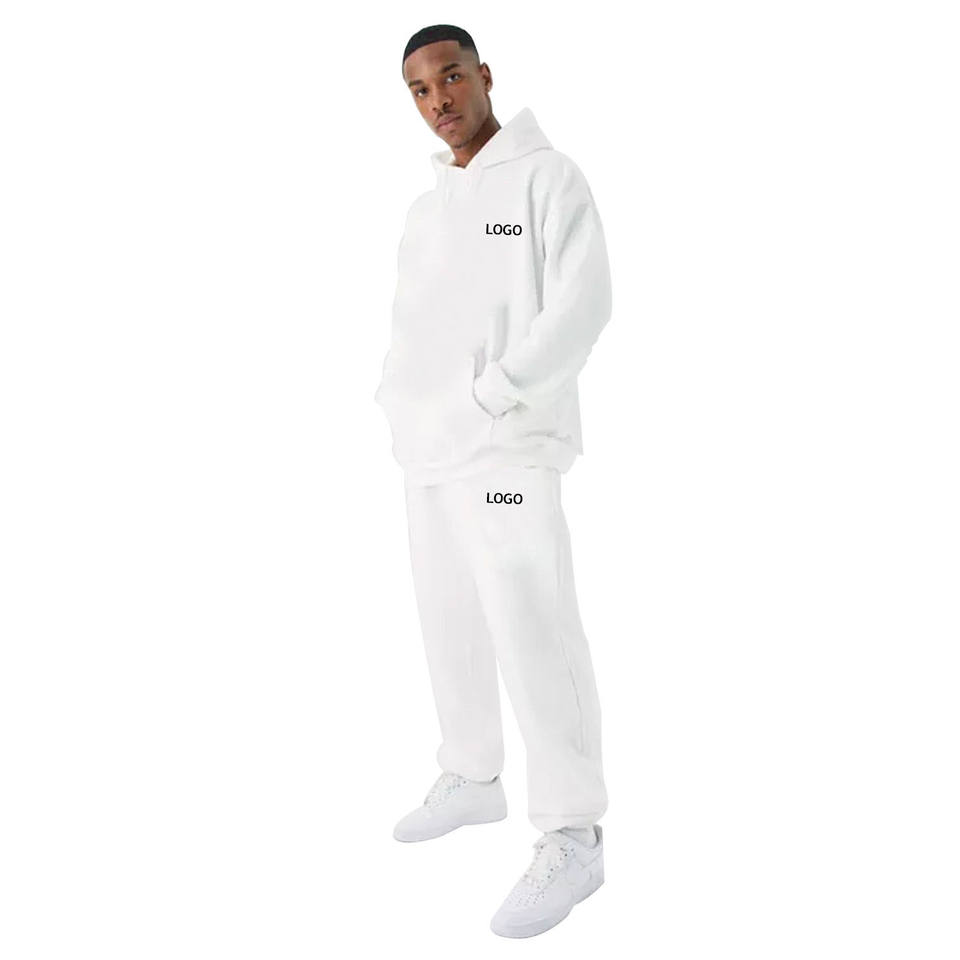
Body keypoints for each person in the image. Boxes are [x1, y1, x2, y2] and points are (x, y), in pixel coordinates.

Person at [374, 24, 612, 939]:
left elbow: (585, 304)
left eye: (450, 77)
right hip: (429, 452)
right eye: (419, 90)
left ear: (483, 75)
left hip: (508, 445)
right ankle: (472, 774)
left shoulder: (549, 179)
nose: (438, 99)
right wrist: (398, 402)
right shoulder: (427, 209)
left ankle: (574, 835)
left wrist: (494, 393)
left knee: (530, 623)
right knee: (449, 621)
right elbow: (415, 322)